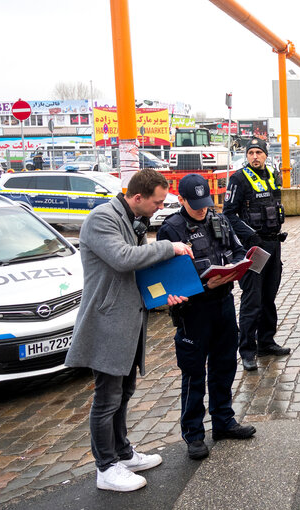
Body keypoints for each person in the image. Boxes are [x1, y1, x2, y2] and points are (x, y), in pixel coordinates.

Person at [64, 169, 194, 492]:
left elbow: (141, 270)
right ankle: (105, 467)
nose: (159, 208)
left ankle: (122, 453)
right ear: (138, 198)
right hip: (107, 322)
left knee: (124, 393)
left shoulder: (134, 220)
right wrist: (170, 248)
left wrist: (168, 293)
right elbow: (124, 259)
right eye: (157, 202)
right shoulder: (101, 219)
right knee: (106, 398)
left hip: (130, 320)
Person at [157, 174, 257, 460]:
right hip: (193, 311)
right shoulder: (171, 230)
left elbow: (237, 249)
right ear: (181, 200)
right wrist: (203, 285)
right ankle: (194, 434)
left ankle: (223, 422)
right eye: (196, 204)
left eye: (206, 202)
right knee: (193, 373)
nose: (202, 209)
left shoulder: (220, 220)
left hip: (223, 303)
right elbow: (169, 276)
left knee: (224, 365)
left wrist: (238, 266)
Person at [223, 138, 291, 372]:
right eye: (251, 152)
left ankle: (266, 342)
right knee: (252, 300)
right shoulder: (238, 179)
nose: (254, 156)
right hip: (254, 249)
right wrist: (251, 236)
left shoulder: (272, 175)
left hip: (273, 245)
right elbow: (228, 214)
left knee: (269, 297)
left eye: (258, 152)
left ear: (265, 155)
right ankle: (247, 351)